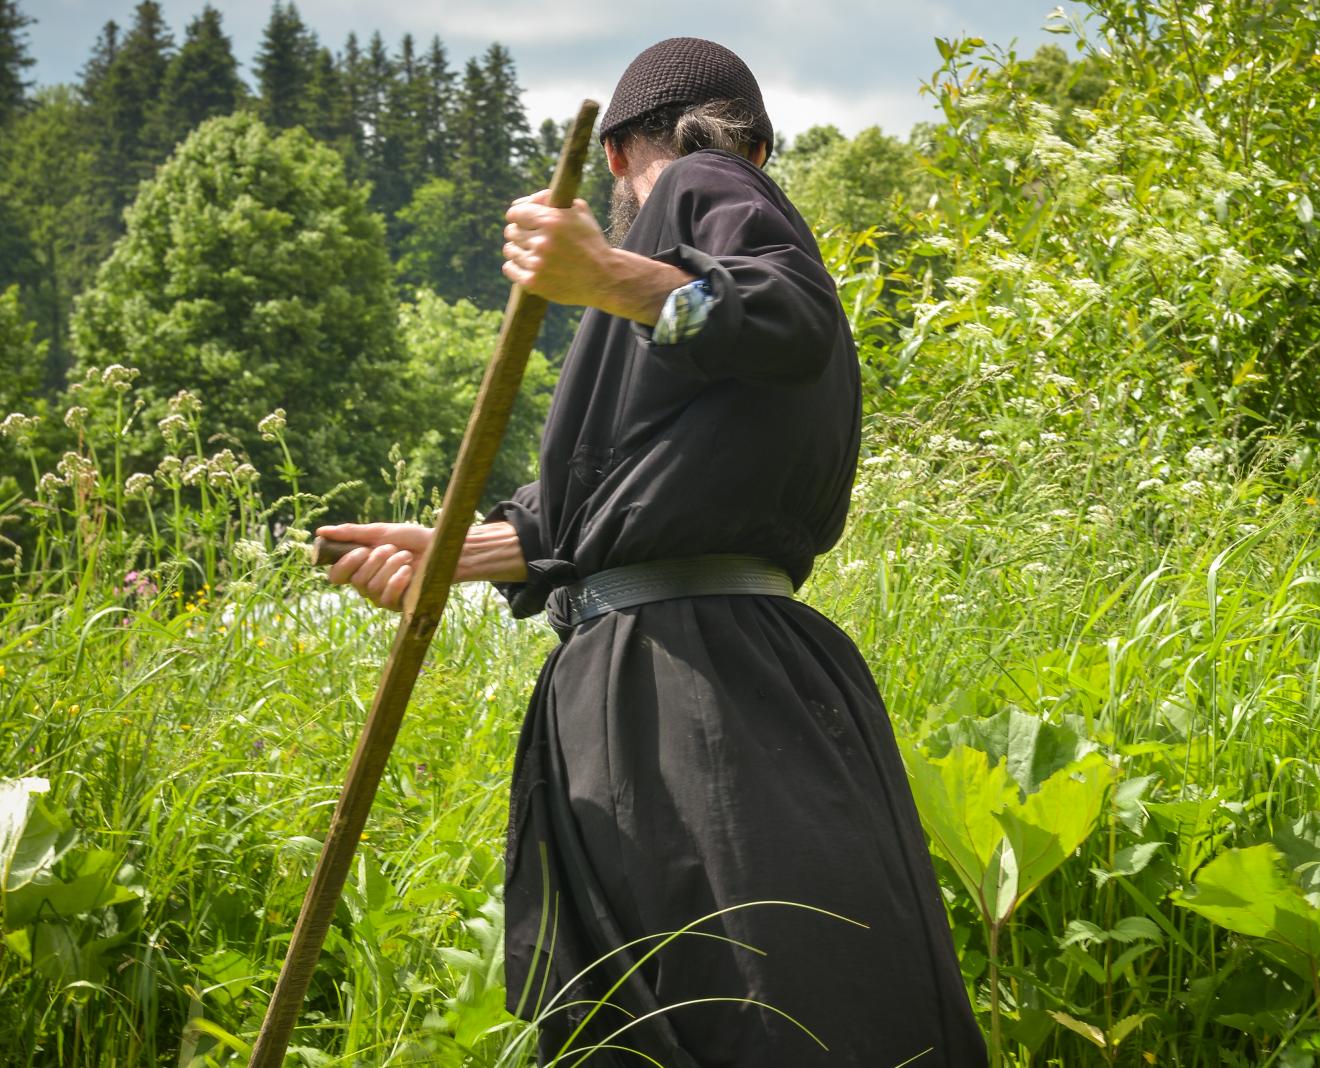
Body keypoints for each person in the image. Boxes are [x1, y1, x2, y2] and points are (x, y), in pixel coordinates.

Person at [317, 37, 985, 1068]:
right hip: (678, 671)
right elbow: (605, 508)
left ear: (625, 151)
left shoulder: (699, 182)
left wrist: (613, 276)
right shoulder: (679, 334)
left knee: (760, 1008)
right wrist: (451, 550)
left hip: (695, 680)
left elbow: (788, 316)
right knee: (677, 1013)